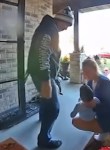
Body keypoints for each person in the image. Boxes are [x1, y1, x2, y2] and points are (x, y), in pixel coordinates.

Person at [27, 7, 73, 149]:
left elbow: (49, 52)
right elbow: (41, 53)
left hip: (41, 73)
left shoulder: (49, 27)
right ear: (62, 20)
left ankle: (42, 117)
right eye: (67, 24)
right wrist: (46, 80)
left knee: (46, 101)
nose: (67, 28)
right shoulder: (49, 28)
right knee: (54, 108)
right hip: (43, 75)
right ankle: (44, 140)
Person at [72, 58, 110, 141]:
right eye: (84, 72)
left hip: (109, 118)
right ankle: (101, 129)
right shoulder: (90, 82)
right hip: (98, 114)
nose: (85, 74)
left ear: (94, 69)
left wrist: (95, 106)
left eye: (87, 71)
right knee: (76, 118)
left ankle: (105, 130)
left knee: (76, 121)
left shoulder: (105, 83)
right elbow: (86, 97)